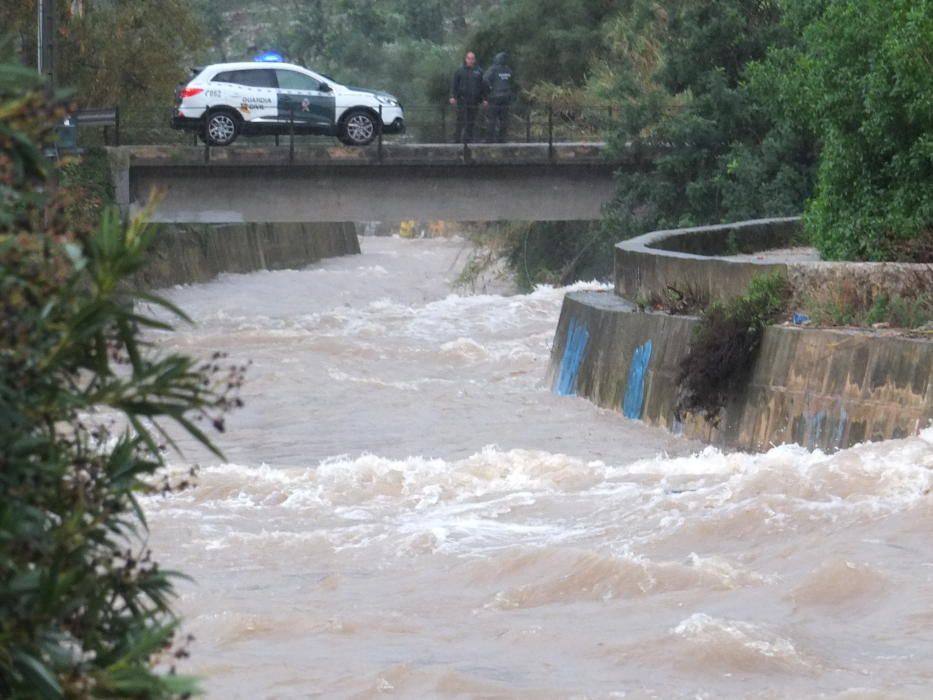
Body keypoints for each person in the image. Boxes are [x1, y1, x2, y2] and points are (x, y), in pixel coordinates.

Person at [449, 51, 487, 144]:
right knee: (461, 120)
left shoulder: (479, 71)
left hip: (474, 101)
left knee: (471, 121)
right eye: (469, 58)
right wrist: (453, 96)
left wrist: (484, 99)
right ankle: (456, 140)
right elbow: (454, 84)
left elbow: (483, 86)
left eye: (472, 58)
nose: (470, 60)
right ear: (466, 59)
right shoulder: (460, 71)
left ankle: (468, 140)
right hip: (462, 100)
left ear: (475, 60)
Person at [484, 52, 514, 143]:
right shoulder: (508, 70)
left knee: (492, 119)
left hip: (495, 97)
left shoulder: (493, 69)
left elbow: (485, 79)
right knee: (504, 119)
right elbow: (512, 82)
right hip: (506, 97)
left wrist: (489, 90)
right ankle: (502, 139)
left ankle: (490, 139)